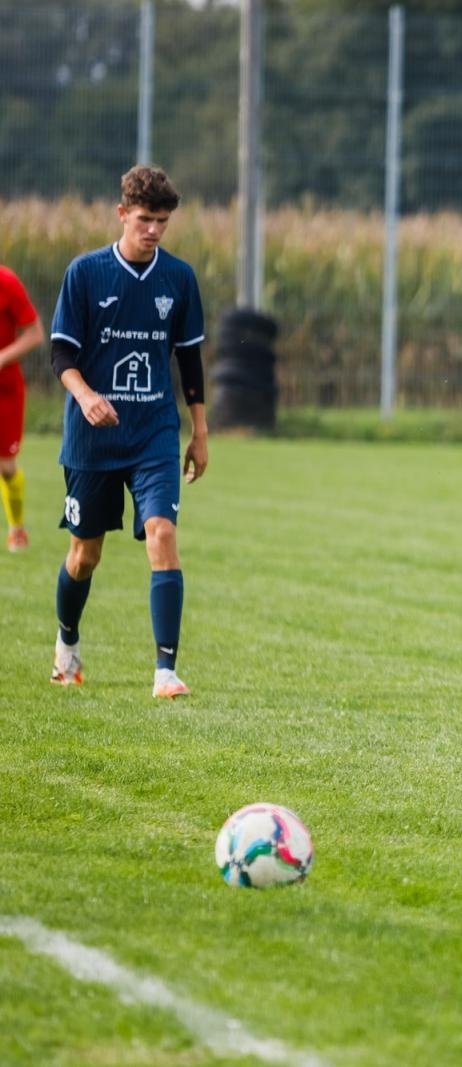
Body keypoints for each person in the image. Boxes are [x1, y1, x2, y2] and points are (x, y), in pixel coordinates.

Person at [47, 165, 208, 698]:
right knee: (84, 554)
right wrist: (87, 396)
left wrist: (200, 431)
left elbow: (189, 359)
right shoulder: (86, 273)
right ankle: (67, 641)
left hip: (154, 434)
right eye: (145, 219)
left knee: (162, 534)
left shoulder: (179, 279)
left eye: (163, 221)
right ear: (122, 214)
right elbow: (61, 353)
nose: (154, 230)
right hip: (93, 438)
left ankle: (166, 670)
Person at [0, 264, 44, 552]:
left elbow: (35, 334)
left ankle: (17, 528)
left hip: (5, 390)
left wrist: (2, 358)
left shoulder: (7, 282)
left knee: (5, 468)